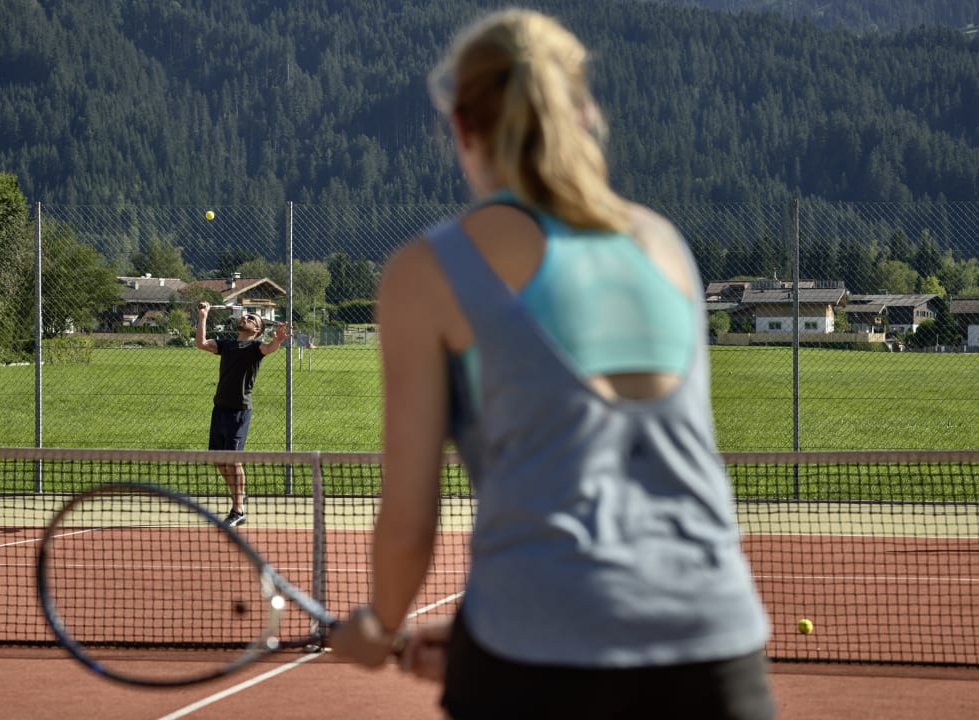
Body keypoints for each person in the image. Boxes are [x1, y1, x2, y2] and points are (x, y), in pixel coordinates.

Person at [330, 8, 774, 719]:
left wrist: (379, 626)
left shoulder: (427, 271)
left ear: (461, 128)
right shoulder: (664, 245)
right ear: (584, 114)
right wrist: (477, 637)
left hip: (535, 655)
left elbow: (411, 523)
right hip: (716, 646)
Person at [195, 301, 290, 526]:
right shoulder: (226, 345)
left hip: (239, 412)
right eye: (246, 316)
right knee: (218, 460)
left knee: (233, 460)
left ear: (256, 329)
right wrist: (203, 316)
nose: (246, 318)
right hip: (219, 409)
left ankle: (238, 510)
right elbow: (201, 343)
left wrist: (277, 340)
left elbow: (269, 348)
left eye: (252, 319)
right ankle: (240, 495)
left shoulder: (256, 348)